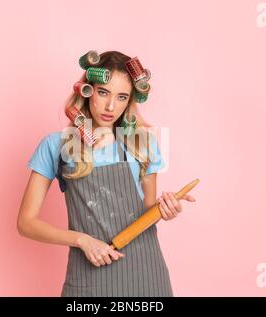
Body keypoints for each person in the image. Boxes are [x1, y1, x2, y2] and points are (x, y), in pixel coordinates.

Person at [17, 50, 196, 296]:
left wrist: (166, 210)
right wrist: (81, 240)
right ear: (86, 90)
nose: (111, 106)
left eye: (122, 97)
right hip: (89, 276)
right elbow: (26, 223)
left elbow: (147, 210)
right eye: (103, 93)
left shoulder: (142, 144)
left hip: (146, 275)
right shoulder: (55, 145)